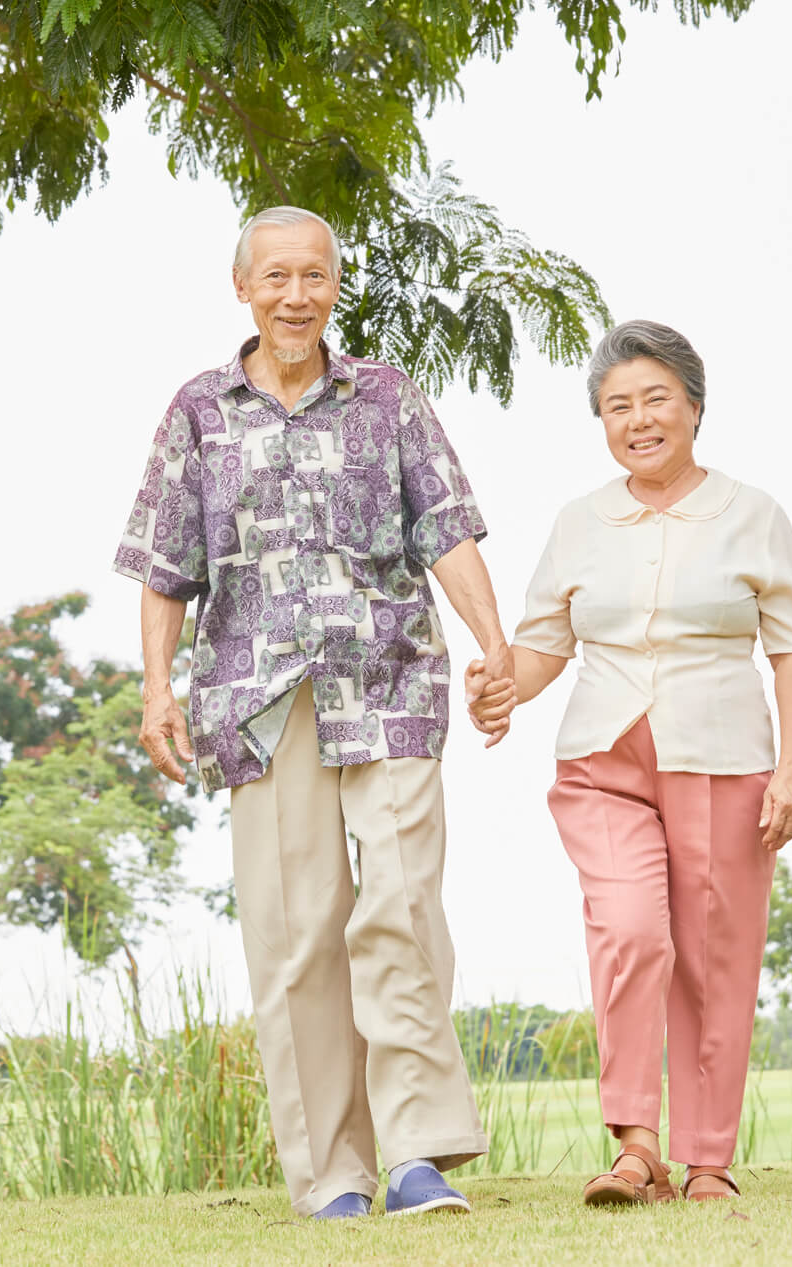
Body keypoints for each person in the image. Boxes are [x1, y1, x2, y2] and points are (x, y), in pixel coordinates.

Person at [114, 206, 513, 1220]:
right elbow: (167, 567)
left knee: (402, 901)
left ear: (338, 284)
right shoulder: (198, 413)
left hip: (391, 676)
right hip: (257, 696)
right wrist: (159, 687)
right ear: (242, 287)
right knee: (297, 935)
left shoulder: (386, 396)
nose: (299, 295)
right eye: (278, 277)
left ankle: (420, 1151)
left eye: (317, 277)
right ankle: (334, 1172)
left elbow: (449, 529)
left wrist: (493, 644)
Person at [466, 319, 792, 1206]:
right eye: (618, 405)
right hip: (602, 762)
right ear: (601, 422)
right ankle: (634, 1147)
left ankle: (707, 1163)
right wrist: (501, 684)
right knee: (631, 932)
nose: (639, 418)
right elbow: (544, 644)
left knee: (713, 957)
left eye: (656, 397)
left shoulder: (753, 515)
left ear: (695, 406)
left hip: (725, 761)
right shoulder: (579, 523)